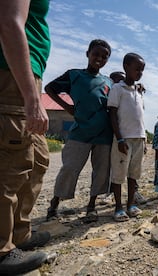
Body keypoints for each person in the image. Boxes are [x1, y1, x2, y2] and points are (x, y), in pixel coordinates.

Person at [0, 0, 52, 274]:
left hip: (26, 76)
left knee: (38, 157)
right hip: (12, 75)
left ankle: (20, 233)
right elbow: (8, 22)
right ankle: (1, 249)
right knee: (10, 164)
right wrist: (32, 99)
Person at [45, 39, 113, 223]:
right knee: (69, 168)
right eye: (96, 54)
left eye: (104, 56)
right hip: (80, 131)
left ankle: (91, 206)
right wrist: (67, 107)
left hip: (104, 134)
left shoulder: (108, 81)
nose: (99, 58)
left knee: (101, 171)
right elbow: (49, 88)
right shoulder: (74, 75)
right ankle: (54, 204)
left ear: (107, 60)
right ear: (87, 54)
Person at [107, 53, 147, 222]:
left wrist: (144, 139)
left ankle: (131, 205)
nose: (139, 73)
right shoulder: (118, 89)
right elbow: (112, 114)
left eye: (142, 70)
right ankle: (118, 208)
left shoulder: (138, 92)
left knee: (133, 174)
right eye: (137, 69)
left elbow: (139, 117)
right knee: (119, 174)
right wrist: (120, 139)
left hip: (139, 138)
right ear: (126, 67)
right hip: (124, 139)